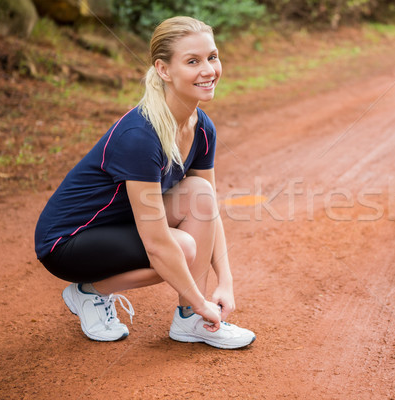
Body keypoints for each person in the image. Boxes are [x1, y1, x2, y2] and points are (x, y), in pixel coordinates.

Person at [34, 16, 255, 350]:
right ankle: (88, 292)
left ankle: (188, 323)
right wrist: (202, 302)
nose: (209, 70)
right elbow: (157, 244)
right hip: (68, 242)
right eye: (192, 61)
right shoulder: (140, 135)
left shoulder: (201, 125)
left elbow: (208, 210)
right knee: (181, 247)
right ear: (164, 70)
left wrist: (226, 282)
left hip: (123, 223)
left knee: (200, 193)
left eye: (212, 56)